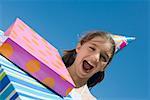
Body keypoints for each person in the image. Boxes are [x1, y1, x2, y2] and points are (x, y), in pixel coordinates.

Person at [62, 31, 135, 100]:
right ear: (79, 47)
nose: (95, 58)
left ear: (104, 67)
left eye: (103, 57)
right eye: (92, 48)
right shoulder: (50, 64)